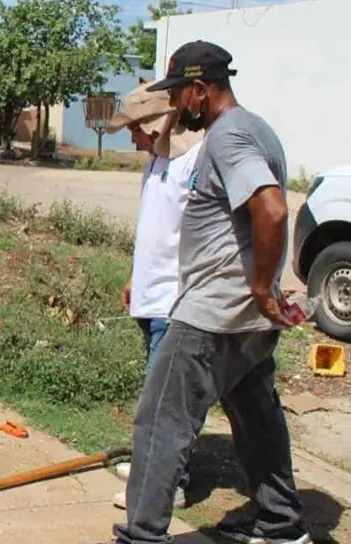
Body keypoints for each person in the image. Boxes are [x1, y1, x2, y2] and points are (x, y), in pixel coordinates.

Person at [98, 41, 312, 544]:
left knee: (160, 421)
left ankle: (142, 534)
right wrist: (261, 293)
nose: (177, 104)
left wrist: (260, 288)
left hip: (214, 312)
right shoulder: (257, 129)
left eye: (180, 93)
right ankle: (279, 522)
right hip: (244, 316)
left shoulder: (229, 135)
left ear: (200, 88)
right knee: (255, 415)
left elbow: (272, 209)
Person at [103, 80, 203, 512]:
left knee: (168, 402)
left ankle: (169, 486)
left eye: (136, 129)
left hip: (174, 302)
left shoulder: (191, 163)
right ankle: (150, 468)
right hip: (151, 295)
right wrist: (135, 277)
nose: (132, 138)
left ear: (157, 124)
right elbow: (155, 228)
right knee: (154, 395)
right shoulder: (155, 163)